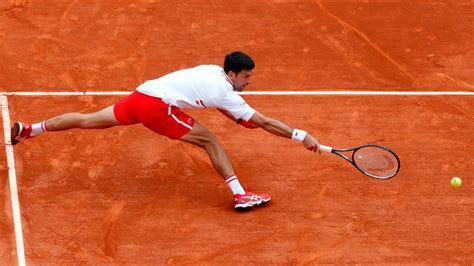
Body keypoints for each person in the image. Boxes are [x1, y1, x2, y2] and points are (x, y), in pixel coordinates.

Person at [11, 51, 321, 210]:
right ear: (232, 73)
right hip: (158, 107)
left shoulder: (212, 73)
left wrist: (240, 119)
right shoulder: (227, 92)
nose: (249, 82)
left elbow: (222, 106)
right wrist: (300, 135)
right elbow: (262, 121)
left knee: (89, 119)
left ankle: (30, 128)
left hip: (142, 95)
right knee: (210, 140)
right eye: (246, 77)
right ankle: (241, 195)